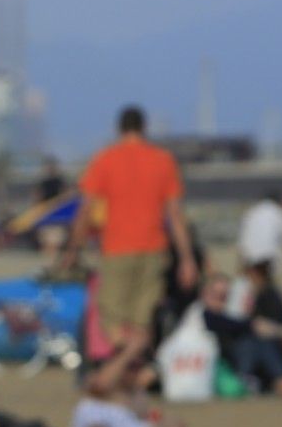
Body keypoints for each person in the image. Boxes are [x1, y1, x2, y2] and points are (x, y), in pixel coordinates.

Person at [66, 106, 197, 353]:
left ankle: (123, 367)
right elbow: (176, 215)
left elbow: (85, 211)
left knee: (112, 319)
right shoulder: (163, 160)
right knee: (142, 321)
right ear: (144, 128)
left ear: (118, 129)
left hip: (117, 250)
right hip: (154, 250)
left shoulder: (105, 159)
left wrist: (73, 249)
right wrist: (187, 259)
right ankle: (133, 372)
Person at [236, 190, 282, 272]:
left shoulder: (252, 212)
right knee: (267, 282)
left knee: (248, 281)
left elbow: (242, 238)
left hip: (248, 255)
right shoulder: (278, 212)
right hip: (268, 256)